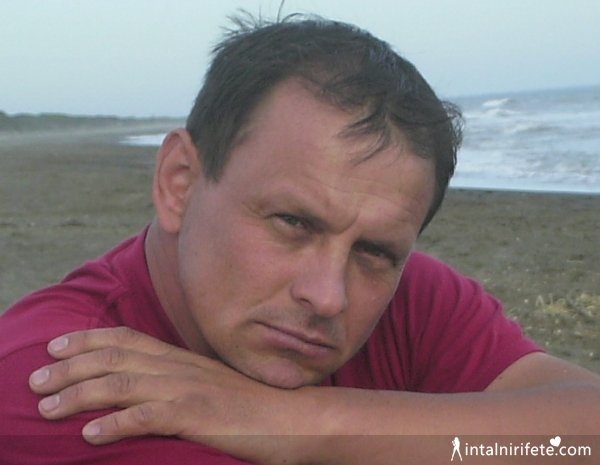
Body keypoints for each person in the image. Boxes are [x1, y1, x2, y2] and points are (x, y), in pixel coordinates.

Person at [1, 13, 598, 465]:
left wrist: (300, 421)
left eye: (375, 251)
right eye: (293, 222)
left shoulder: (405, 297)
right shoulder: (60, 385)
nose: (329, 296)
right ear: (180, 183)